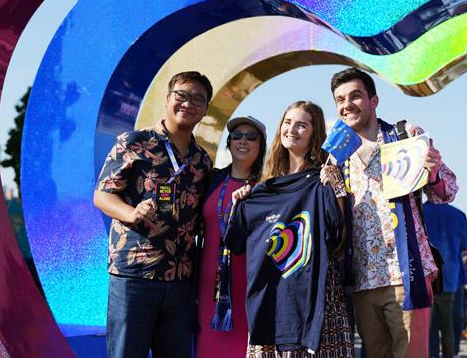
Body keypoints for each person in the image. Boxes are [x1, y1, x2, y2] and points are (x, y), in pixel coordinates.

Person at [330, 67, 459, 358]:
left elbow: (447, 193)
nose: (347, 104)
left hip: (406, 273)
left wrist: (434, 171)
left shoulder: (405, 136)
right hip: (362, 278)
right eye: (340, 99)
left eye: (355, 96)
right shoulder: (337, 154)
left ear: (374, 101)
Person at [93, 71, 214, 358]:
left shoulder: (202, 160)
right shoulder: (135, 142)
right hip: (135, 274)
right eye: (181, 96)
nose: (188, 103)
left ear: (206, 109)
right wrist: (132, 213)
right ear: (168, 99)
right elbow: (102, 194)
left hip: (181, 278)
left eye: (198, 99)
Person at [232, 101, 353, 357]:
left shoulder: (323, 177)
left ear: (314, 132)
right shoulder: (263, 186)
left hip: (316, 288)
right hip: (273, 295)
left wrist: (336, 189)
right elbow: (237, 242)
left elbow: (338, 236)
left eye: (302, 125)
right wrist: (244, 201)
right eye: (288, 122)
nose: (292, 129)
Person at [196, 116, 267, 357]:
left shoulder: (268, 187)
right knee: (209, 346)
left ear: (261, 145)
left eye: (251, 136)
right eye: (237, 135)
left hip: (251, 285)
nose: (243, 140)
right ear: (229, 143)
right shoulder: (211, 180)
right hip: (209, 285)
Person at [423, 203, 467, 358]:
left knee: (429, 324)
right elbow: (466, 244)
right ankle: (452, 353)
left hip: (427, 275)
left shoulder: (419, 211)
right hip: (452, 275)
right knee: (450, 322)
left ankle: (432, 354)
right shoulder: (458, 214)